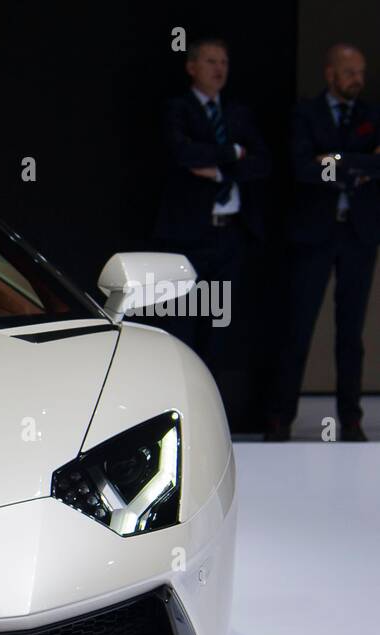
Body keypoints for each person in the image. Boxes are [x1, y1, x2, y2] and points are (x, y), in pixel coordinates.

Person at [270, 43, 380, 442]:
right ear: (331, 73)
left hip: (357, 234)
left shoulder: (370, 114)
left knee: (351, 333)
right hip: (314, 232)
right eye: (350, 72)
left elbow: (370, 164)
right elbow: (302, 167)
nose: (358, 80)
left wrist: (333, 160)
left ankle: (350, 419)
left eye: (362, 73)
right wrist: (356, 164)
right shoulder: (306, 112)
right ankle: (281, 416)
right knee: (298, 326)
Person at [152, 38, 269, 408]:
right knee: (183, 321)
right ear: (192, 67)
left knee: (219, 328)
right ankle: (179, 406)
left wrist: (217, 172)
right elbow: (182, 154)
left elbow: (262, 162)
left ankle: (213, 410)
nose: (219, 68)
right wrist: (233, 153)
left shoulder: (236, 113)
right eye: (210, 61)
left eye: (224, 62)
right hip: (187, 236)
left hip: (228, 235)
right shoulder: (178, 109)